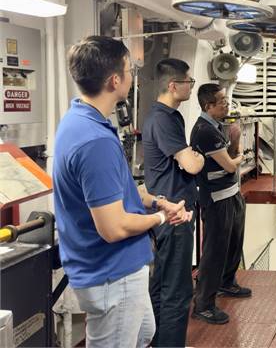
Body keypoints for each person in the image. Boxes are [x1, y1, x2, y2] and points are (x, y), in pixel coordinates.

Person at [53, 36, 191, 347]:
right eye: (130, 70)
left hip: (117, 270)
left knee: (144, 334)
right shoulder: (94, 141)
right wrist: (160, 219)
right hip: (112, 274)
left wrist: (157, 202)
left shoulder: (80, 121)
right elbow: (113, 228)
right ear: (115, 80)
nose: (132, 76)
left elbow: (119, 191)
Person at [142, 58, 204, 347]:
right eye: (188, 81)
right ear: (173, 84)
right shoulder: (164, 118)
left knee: (163, 283)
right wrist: (199, 157)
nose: (191, 86)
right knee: (176, 290)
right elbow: (191, 164)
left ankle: (159, 341)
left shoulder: (170, 116)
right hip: (173, 214)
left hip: (170, 209)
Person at [190, 83, 250, 325]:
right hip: (216, 199)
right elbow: (229, 165)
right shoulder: (204, 131)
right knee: (214, 251)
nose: (228, 105)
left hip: (231, 193)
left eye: (227, 100)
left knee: (234, 242)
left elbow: (230, 156)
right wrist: (240, 156)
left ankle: (227, 282)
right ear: (208, 106)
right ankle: (203, 305)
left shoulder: (218, 127)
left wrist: (235, 147)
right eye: (223, 102)